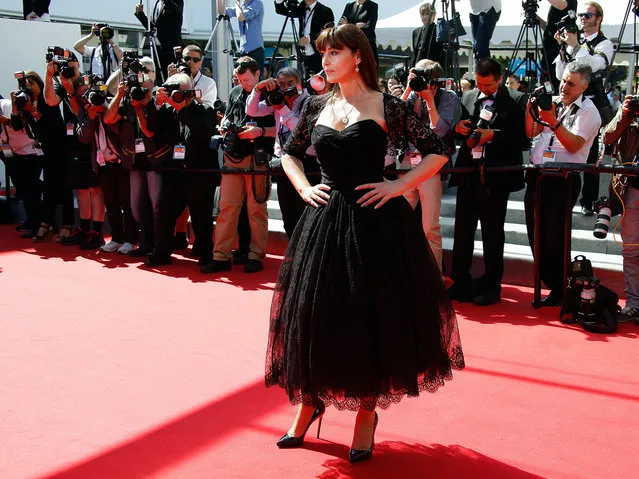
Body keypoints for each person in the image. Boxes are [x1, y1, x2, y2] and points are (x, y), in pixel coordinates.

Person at [265, 24, 464, 464]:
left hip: (375, 225)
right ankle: (310, 402)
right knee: (315, 314)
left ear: (358, 56)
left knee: (368, 316)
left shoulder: (388, 106)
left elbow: (437, 150)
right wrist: (302, 187)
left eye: (335, 52)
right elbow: (289, 152)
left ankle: (366, 413)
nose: (326, 61)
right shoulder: (317, 104)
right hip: (325, 219)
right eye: (323, 54)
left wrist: (399, 186)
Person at [447, 58, 528, 306]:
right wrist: (458, 128)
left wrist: (493, 136)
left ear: (500, 79)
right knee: (462, 231)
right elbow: (456, 130)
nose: (483, 88)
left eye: (489, 84)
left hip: (496, 177)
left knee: (493, 234)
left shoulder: (516, 100)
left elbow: (523, 140)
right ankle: (459, 281)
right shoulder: (469, 96)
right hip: (468, 174)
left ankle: (493, 285)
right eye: (480, 83)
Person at [525, 61, 601, 306]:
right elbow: (531, 131)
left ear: (584, 87)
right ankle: (551, 285)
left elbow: (574, 145)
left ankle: (561, 288)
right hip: (538, 177)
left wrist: (553, 121)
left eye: (571, 84)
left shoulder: (589, 110)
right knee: (535, 235)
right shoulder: (554, 103)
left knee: (554, 238)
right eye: (563, 81)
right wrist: (531, 107)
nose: (564, 87)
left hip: (562, 180)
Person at [201, 56, 275, 274]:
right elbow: (230, 117)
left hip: (257, 157)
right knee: (227, 209)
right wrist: (225, 127)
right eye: (240, 79)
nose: (243, 83)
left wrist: (259, 132)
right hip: (233, 156)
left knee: (256, 210)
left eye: (247, 79)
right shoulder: (235, 93)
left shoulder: (270, 93)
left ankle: (256, 255)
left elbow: (280, 128)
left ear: (258, 74)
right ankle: (221, 256)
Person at [144, 73, 219, 267]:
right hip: (174, 171)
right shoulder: (167, 111)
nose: (174, 95)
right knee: (165, 211)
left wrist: (182, 110)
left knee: (201, 216)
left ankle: (205, 254)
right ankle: (161, 252)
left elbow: (203, 132)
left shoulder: (205, 110)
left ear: (189, 93)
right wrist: (158, 104)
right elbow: (151, 129)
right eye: (171, 90)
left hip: (199, 172)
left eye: (178, 91)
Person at [554, 1, 614, 216]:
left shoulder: (604, 44)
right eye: (581, 14)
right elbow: (561, 73)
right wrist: (564, 47)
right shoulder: (573, 43)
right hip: (569, 102)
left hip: (591, 103)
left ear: (598, 19)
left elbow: (593, 66)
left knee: (589, 154)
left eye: (588, 15)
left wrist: (576, 46)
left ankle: (588, 200)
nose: (583, 18)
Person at [401, 59, 459, 271]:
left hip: (431, 165)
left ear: (437, 82)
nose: (425, 86)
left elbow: (440, 131)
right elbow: (393, 115)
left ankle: (435, 279)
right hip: (407, 162)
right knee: (399, 223)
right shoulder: (412, 95)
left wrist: (430, 102)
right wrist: (408, 89)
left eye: (428, 81)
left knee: (429, 228)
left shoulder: (448, 97)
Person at [246, 66, 318, 237]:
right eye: (282, 84)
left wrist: (282, 109)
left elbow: (302, 132)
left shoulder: (311, 102)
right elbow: (251, 110)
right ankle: (294, 257)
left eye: (290, 83)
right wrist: (257, 89)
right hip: (285, 163)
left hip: (307, 164)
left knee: (306, 215)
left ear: (299, 83)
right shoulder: (278, 101)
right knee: (289, 215)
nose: (286, 88)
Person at [602, 93, 639, 324]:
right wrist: (625, 114)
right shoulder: (631, 111)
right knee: (632, 251)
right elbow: (607, 137)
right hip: (632, 191)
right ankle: (634, 304)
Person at [275, 0, 335, 76]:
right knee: (305, 81)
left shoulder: (325, 11)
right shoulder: (301, 7)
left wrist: (309, 38)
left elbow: (328, 31)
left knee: (321, 80)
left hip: (318, 54)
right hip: (304, 53)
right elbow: (281, 10)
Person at [135, 1, 184, 82]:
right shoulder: (157, 3)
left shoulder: (175, 2)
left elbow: (175, 11)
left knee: (172, 80)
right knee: (159, 80)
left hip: (171, 51)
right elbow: (154, 28)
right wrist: (140, 14)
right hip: (157, 50)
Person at [539, 0, 577, 91]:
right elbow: (549, 28)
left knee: (555, 83)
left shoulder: (568, 2)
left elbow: (562, 5)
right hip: (548, 49)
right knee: (546, 82)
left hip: (558, 49)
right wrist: (534, 17)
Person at [219, 0, 266, 71]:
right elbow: (222, 11)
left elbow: (241, 17)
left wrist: (237, 3)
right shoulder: (241, 7)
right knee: (242, 78)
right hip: (243, 51)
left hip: (255, 50)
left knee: (256, 79)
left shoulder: (257, 3)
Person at [339, 0, 378, 66]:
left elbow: (370, 28)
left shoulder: (372, 6)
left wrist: (347, 25)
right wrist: (356, 26)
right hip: (350, 46)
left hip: (365, 46)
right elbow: (340, 26)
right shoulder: (349, 6)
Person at [411, 2, 444, 68]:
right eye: (422, 14)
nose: (425, 16)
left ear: (433, 15)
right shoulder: (416, 32)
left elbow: (441, 54)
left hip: (433, 68)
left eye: (427, 14)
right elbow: (415, 53)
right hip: (418, 67)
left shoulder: (438, 30)